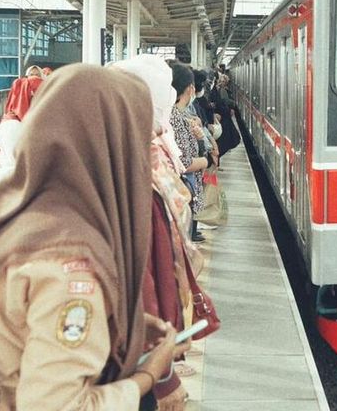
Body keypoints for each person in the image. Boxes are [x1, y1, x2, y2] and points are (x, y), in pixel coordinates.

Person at [0, 64, 186, 409]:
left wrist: (116, 324)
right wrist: (147, 377)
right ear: (114, 148)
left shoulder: (11, 215)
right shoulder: (71, 266)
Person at [112, 55, 198, 410]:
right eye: (152, 111)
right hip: (124, 374)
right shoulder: (129, 185)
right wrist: (159, 377)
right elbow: (139, 280)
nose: (163, 129)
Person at [169, 63, 209, 243]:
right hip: (183, 189)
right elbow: (184, 163)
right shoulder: (175, 117)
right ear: (190, 88)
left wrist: (199, 138)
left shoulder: (179, 115)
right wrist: (205, 162)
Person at [0, 66, 45, 164]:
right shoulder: (39, 85)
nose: (34, 77)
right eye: (31, 75)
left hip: (4, 127)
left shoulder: (18, 85)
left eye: (37, 75)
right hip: (17, 128)